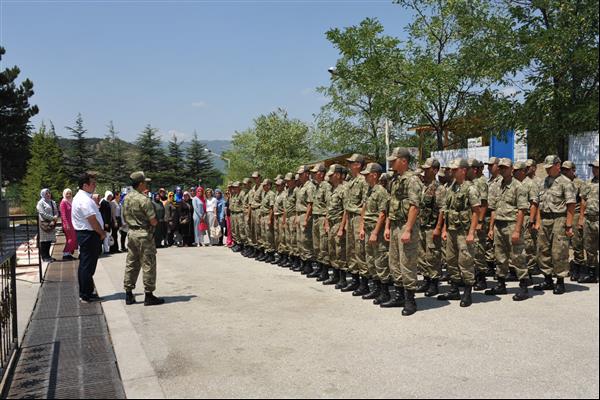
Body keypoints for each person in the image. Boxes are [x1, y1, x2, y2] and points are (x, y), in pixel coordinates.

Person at [383, 148, 423, 315]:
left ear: (404, 161)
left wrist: (407, 229)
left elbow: (414, 206)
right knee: (394, 261)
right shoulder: (397, 179)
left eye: (394, 160)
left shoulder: (412, 180)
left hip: (407, 226)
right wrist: (387, 226)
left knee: (407, 262)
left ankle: (410, 300)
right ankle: (399, 295)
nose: (391, 163)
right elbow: (392, 205)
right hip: (395, 225)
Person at [485, 159, 530, 301]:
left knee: (518, 256)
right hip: (499, 224)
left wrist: (517, 230)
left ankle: (523, 287)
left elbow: (522, 210)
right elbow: (492, 209)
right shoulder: (496, 186)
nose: (502, 170)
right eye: (501, 168)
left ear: (512, 169)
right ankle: (501, 284)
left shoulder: (519, 186)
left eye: (505, 168)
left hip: (512, 224)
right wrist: (491, 228)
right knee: (500, 256)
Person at [534, 155, 576, 295]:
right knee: (543, 250)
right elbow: (539, 203)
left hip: (559, 219)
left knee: (559, 251)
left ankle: (560, 281)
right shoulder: (543, 182)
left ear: (558, 166)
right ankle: (547, 280)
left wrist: (569, 225)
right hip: (545, 219)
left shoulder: (566, 182)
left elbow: (571, 205)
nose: (547, 170)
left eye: (550, 167)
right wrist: (538, 221)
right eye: (546, 168)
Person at [122, 171, 164, 306]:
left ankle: (128, 294)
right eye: (145, 182)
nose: (146, 184)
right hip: (144, 235)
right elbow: (153, 220)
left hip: (132, 233)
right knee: (148, 264)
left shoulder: (126, 198)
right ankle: (149, 295)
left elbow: (124, 217)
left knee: (131, 263)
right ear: (140, 184)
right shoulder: (144, 199)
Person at [72, 172, 105, 303]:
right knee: (87, 265)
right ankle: (85, 294)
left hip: (87, 234)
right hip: (89, 234)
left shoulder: (84, 197)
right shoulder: (84, 200)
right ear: (85, 185)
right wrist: (101, 233)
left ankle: (87, 291)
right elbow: (92, 219)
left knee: (87, 264)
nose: (95, 185)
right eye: (92, 183)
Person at [358, 163, 390, 302]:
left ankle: (385, 292)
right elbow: (364, 209)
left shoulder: (381, 191)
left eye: (367, 175)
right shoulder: (369, 190)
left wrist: (376, 232)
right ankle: (376, 289)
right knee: (370, 260)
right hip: (368, 228)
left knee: (380, 261)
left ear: (375, 175)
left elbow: (382, 214)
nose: (365, 177)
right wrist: (361, 227)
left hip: (377, 230)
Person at [416, 158, 444, 297]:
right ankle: (426, 280)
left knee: (432, 255)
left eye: (427, 169)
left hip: (432, 227)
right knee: (421, 255)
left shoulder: (438, 188)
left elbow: (441, 210)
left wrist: (438, 228)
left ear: (435, 170)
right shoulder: (422, 186)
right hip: (421, 226)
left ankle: (434, 283)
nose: (424, 171)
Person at [341, 154, 369, 292]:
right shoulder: (351, 181)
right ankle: (355, 279)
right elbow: (347, 204)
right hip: (351, 217)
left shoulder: (363, 180)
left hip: (359, 217)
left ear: (358, 164)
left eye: (351, 163)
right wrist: (345, 223)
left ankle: (364, 283)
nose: (349, 165)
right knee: (351, 249)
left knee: (360, 250)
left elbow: (365, 204)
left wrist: (362, 225)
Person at [561, 161, 586, 281]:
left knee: (576, 242)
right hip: (562, 214)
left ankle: (578, 267)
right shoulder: (560, 181)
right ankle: (564, 268)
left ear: (573, 170)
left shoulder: (579, 183)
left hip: (575, 214)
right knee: (561, 243)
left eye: (567, 169)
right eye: (563, 169)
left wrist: (581, 217)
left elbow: (583, 201)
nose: (564, 172)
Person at [309, 163, 331, 280]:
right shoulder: (317, 186)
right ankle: (319, 267)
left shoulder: (326, 186)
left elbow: (329, 205)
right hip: (316, 217)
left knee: (323, 245)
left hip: (322, 217)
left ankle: (325, 271)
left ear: (321, 174)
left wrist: (327, 221)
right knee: (316, 244)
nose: (313, 175)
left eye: (315, 172)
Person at [578, 159, 599, 283]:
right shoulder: (588, 183)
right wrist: (581, 218)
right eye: (593, 168)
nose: (594, 170)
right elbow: (583, 201)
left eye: (597, 168)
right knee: (590, 247)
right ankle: (592, 274)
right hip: (590, 219)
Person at [295, 165, 316, 275]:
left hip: (305, 214)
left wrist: (306, 218)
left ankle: (308, 265)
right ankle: (303, 262)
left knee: (306, 240)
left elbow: (310, 204)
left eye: (301, 174)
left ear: (307, 174)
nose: (299, 176)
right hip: (299, 214)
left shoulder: (310, 186)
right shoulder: (301, 187)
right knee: (300, 240)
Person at [37, 188, 59, 262]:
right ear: (42, 194)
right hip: (44, 224)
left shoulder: (52, 202)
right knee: (44, 241)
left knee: (49, 241)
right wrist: (53, 218)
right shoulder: (40, 203)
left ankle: (48, 256)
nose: (48, 195)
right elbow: (42, 213)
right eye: (46, 193)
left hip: (52, 223)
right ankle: (44, 256)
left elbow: (56, 211)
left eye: (49, 193)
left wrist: (55, 217)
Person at [60, 188, 78, 260]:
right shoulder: (63, 202)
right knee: (72, 238)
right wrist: (66, 224)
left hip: (73, 223)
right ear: (64, 194)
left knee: (71, 239)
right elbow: (63, 215)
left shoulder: (71, 201)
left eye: (70, 193)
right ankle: (65, 253)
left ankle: (69, 253)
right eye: (67, 193)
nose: (68, 195)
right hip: (67, 224)